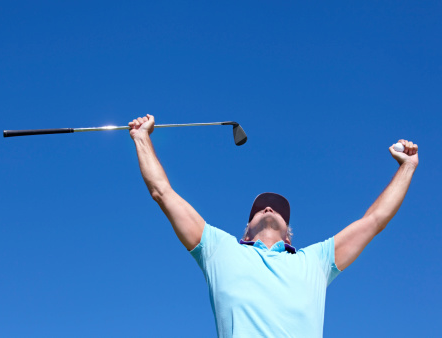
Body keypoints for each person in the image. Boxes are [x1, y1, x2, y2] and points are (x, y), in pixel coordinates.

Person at [129, 114, 419, 337]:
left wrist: (407, 167)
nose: (269, 208)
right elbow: (162, 192)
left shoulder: (316, 261)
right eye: (259, 209)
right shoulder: (218, 249)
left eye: (278, 210)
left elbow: (374, 220)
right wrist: (142, 138)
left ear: (289, 235)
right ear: (245, 231)